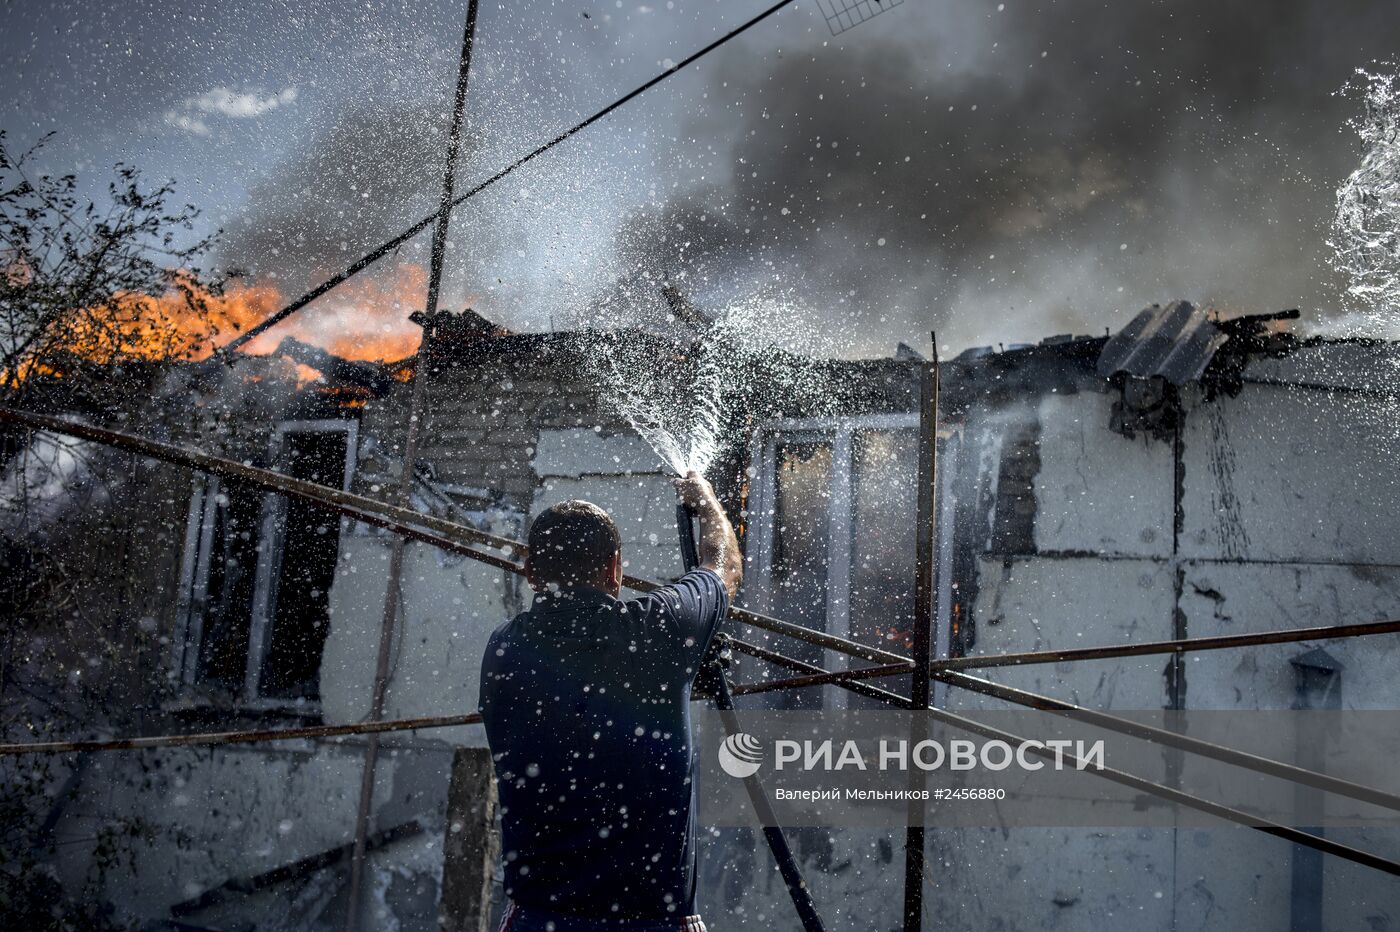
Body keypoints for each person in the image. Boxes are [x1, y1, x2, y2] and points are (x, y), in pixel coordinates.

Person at [479, 470, 742, 932]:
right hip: (654, 920)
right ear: (616, 568)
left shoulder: (504, 651)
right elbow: (724, 567)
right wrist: (707, 504)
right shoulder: (660, 629)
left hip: (540, 919)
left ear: (530, 573)